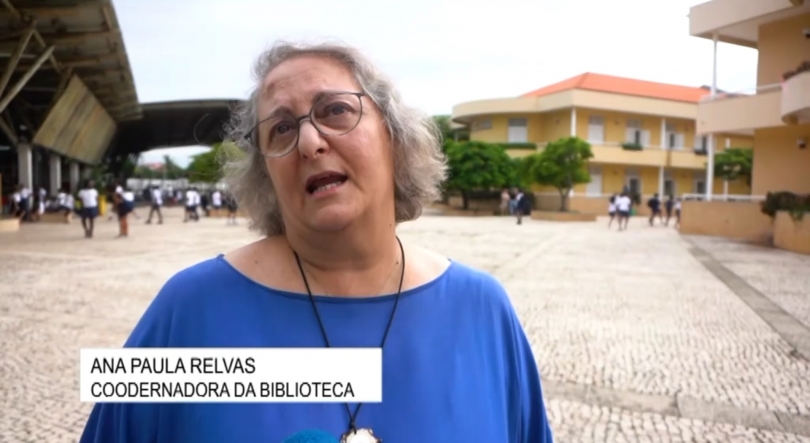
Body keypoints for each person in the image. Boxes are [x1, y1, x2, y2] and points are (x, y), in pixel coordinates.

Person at [78, 41, 554, 443]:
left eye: (336, 110)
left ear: (394, 136)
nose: (309, 142)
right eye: (281, 128)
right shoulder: (188, 310)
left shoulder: (484, 310)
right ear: (265, 172)